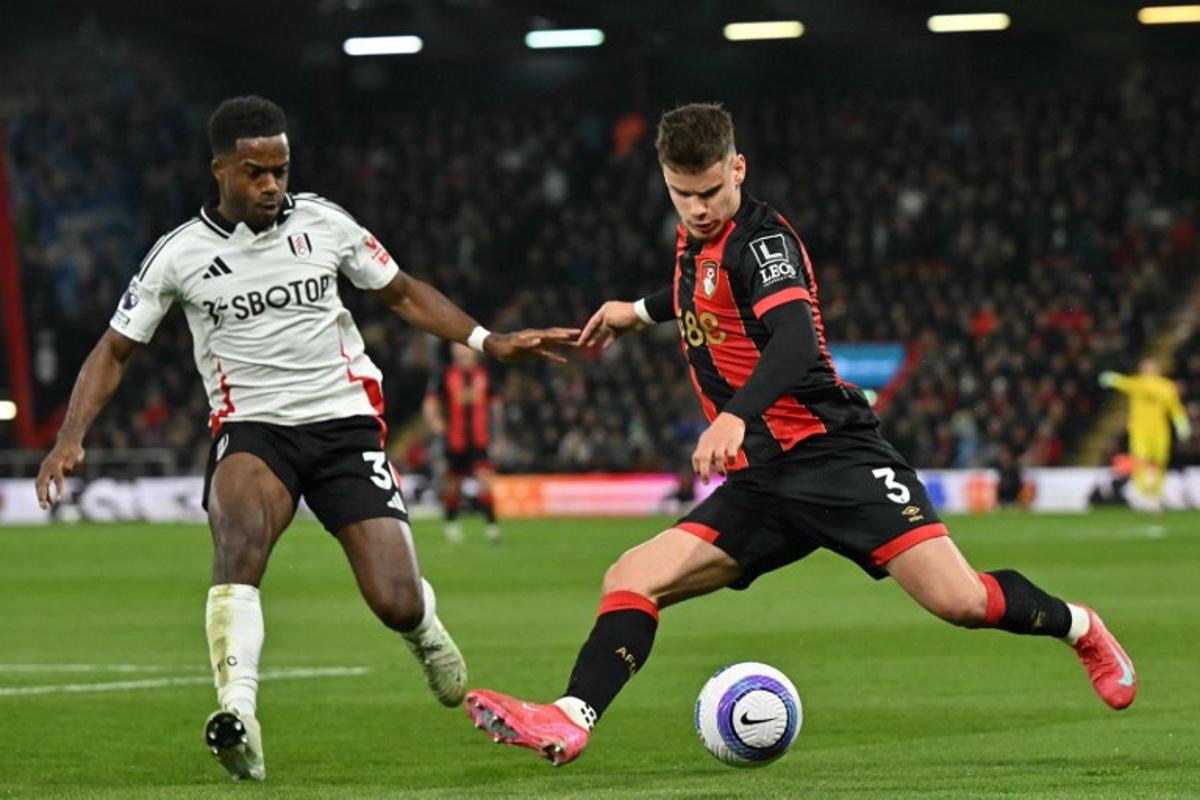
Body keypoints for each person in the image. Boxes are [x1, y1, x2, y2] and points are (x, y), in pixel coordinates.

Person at [463, 103, 1137, 766]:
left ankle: (1081, 627)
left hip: (835, 459)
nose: (698, 208)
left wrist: (735, 414)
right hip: (763, 479)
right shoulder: (697, 239)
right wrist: (637, 312)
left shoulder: (763, 243)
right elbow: (699, 291)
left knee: (960, 602)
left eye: (711, 191)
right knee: (633, 574)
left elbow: (795, 342)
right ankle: (571, 717)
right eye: (682, 194)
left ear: (739, 168)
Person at [33, 96, 577, 782]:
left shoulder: (326, 223)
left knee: (394, 598)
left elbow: (402, 291)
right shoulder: (179, 255)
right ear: (220, 172)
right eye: (255, 173)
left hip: (345, 423)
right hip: (253, 427)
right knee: (236, 543)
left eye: (280, 170)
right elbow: (115, 350)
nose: (271, 186)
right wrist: (69, 437)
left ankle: (424, 630)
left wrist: (485, 340)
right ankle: (239, 715)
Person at [423, 342, 502, 543]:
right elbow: (430, 403)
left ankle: (492, 527)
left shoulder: (485, 374)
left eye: (464, 350)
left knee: (485, 482)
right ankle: (451, 524)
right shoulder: (445, 375)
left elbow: (496, 404)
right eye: (457, 351)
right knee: (453, 486)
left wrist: (499, 434)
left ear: (473, 353)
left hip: (480, 440)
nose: (461, 354)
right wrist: (435, 422)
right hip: (454, 441)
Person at [1100, 358, 1191, 508]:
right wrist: (1112, 378)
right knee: (1140, 461)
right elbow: (1123, 383)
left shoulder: (1166, 386)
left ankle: (1155, 494)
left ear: (1158, 369)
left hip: (1160, 431)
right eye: (1146, 368)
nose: (1149, 370)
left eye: (1151, 367)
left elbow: (1175, 407)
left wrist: (1181, 423)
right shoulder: (1138, 383)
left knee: (1160, 462)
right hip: (1139, 430)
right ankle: (1142, 493)